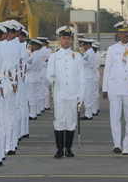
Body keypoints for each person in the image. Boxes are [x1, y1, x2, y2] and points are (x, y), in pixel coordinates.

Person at [102, 22, 128, 155]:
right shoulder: (112, 49)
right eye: (123, 32)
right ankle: (117, 144)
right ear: (118, 34)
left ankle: (127, 146)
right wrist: (105, 88)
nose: (125, 34)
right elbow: (107, 69)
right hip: (114, 87)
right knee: (115, 117)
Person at [47, 26, 85, 159]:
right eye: (63, 38)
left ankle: (68, 149)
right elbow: (49, 75)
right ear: (59, 40)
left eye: (68, 38)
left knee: (71, 121)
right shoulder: (54, 57)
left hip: (73, 94)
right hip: (60, 94)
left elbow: (82, 77)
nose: (66, 41)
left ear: (71, 40)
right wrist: (54, 81)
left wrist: (81, 95)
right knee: (59, 121)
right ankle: (59, 149)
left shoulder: (78, 56)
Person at [78, 38, 97, 120]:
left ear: (88, 45)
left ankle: (88, 115)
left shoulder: (89, 53)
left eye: (84, 45)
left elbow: (83, 63)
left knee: (88, 96)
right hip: (88, 76)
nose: (83, 47)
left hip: (88, 77)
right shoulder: (88, 52)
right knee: (88, 96)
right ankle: (89, 113)